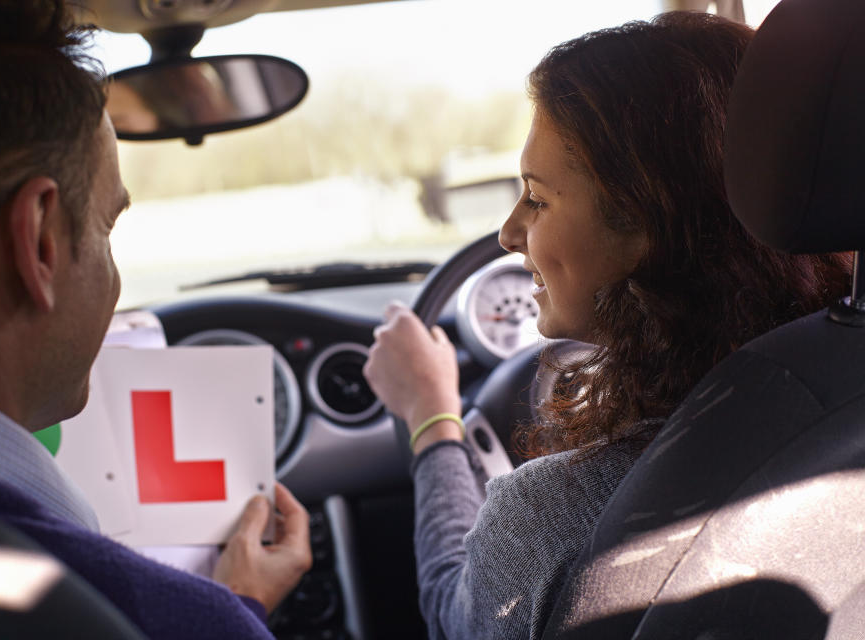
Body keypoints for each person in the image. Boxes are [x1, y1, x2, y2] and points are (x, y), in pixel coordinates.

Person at [363, 11, 853, 640]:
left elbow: (453, 615)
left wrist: (431, 417)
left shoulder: (552, 515)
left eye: (537, 199)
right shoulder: (843, 391)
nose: (510, 232)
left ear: (649, 222)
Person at [0, 1, 310, 638]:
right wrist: (228, 613)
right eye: (105, 228)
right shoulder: (149, 616)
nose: (114, 280)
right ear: (38, 243)